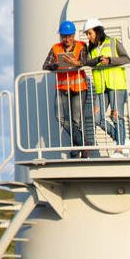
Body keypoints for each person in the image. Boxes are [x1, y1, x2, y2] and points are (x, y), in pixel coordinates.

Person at [42, 21, 93, 157]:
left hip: (78, 87)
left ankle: (77, 149)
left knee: (76, 120)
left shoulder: (81, 46)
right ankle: (84, 144)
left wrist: (75, 62)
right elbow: (45, 65)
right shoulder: (55, 48)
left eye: (69, 36)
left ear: (74, 35)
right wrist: (55, 65)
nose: (66, 39)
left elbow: (84, 61)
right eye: (64, 36)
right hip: (62, 87)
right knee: (60, 117)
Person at [83, 18, 130, 153]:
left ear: (98, 31)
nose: (88, 37)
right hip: (101, 87)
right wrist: (97, 60)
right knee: (97, 118)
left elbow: (126, 59)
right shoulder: (90, 49)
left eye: (90, 33)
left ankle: (120, 148)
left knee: (116, 116)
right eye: (87, 34)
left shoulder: (113, 42)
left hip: (116, 84)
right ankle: (120, 139)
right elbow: (86, 62)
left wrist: (110, 60)